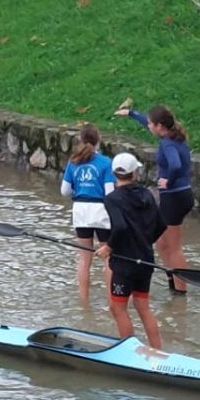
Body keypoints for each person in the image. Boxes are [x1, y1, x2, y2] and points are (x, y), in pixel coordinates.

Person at [116, 97, 194, 295]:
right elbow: (148, 123)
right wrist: (132, 114)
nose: (148, 126)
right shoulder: (173, 136)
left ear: (160, 126)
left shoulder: (168, 144)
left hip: (174, 197)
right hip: (179, 196)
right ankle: (171, 277)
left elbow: (175, 165)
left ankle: (181, 289)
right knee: (160, 241)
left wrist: (168, 180)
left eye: (150, 123)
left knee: (174, 247)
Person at [96, 152, 167, 352]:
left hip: (124, 264)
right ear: (135, 173)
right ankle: (158, 351)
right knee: (143, 308)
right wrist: (144, 242)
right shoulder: (147, 194)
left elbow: (119, 227)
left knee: (117, 308)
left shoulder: (111, 199)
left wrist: (108, 247)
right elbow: (161, 225)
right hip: (145, 261)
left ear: (114, 174)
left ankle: (129, 352)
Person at [59, 123, 116, 304]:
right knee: (108, 257)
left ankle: (83, 302)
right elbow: (110, 193)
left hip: (81, 211)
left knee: (84, 258)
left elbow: (64, 191)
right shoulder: (106, 163)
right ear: (99, 141)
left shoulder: (73, 161)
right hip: (101, 211)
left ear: (80, 140)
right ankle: (112, 301)